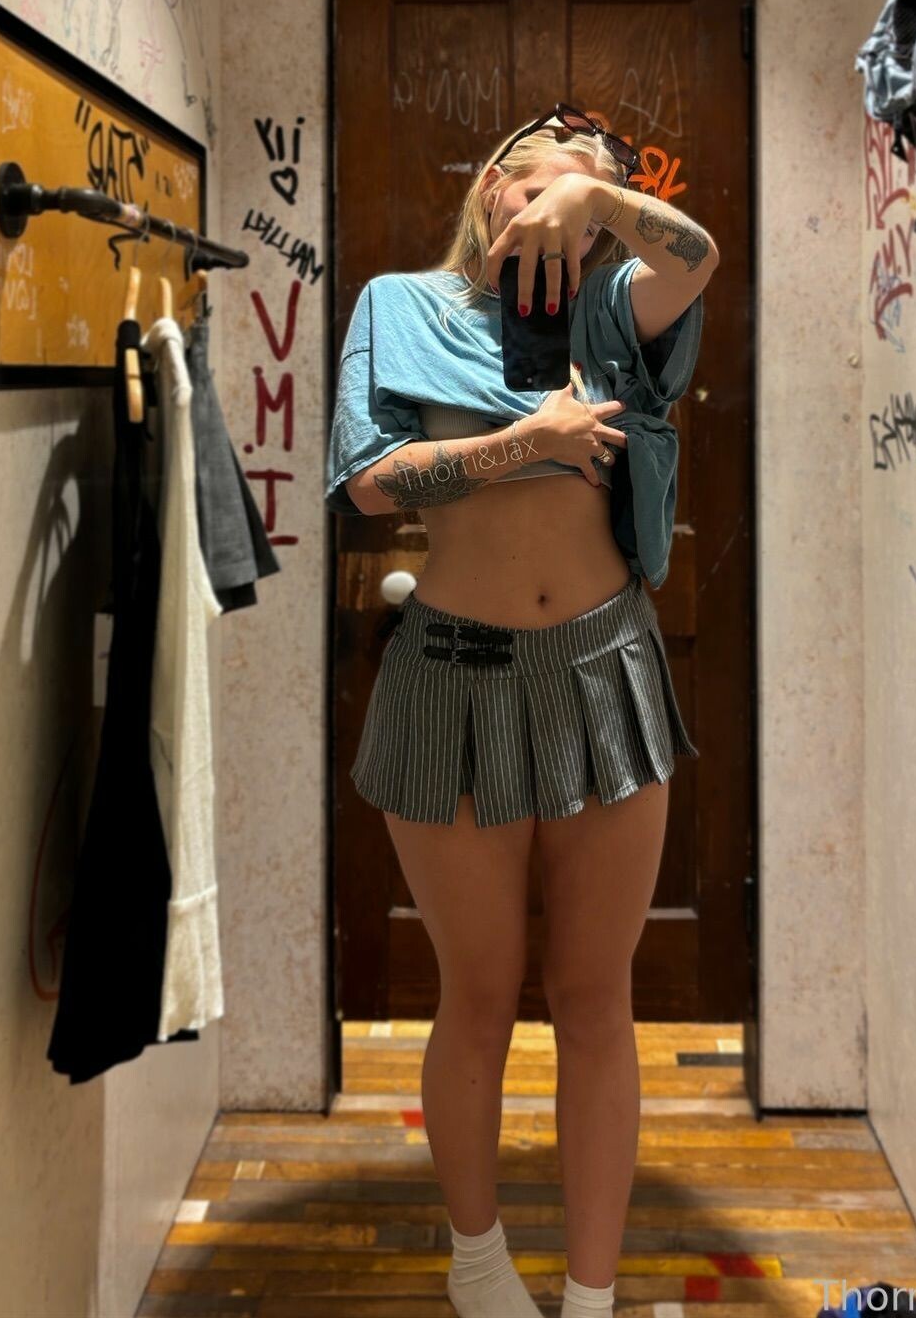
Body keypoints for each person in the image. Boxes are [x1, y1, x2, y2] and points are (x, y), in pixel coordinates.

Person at [325, 104, 719, 1318]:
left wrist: (600, 200)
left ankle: (592, 1296)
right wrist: (522, 441)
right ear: (491, 183)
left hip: (605, 668)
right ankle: (479, 1266)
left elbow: (695, 256)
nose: (563, 204)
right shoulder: (400, 306)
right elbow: (365, 480)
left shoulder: (611, 312)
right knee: (479, 992)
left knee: (596, 997)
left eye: (585, 198)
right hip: (450, 673)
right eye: (545, 178)